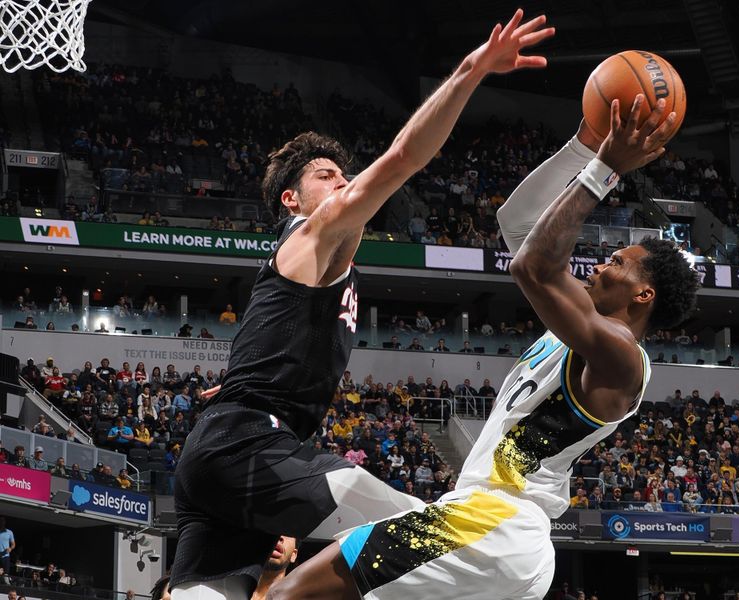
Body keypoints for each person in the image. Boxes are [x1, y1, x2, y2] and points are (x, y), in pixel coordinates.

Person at [170, 13, 555, 599]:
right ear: (292, 199)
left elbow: (267, 342)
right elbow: (404, 157)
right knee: (430, 537)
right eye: (327, 176)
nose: (343, 182)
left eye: (343, 173)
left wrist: (235, 386)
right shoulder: (311, 231)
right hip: (247, 446)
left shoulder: (313, 265)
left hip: (224, 456)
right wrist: (472, 70)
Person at [269, 97, 696, 598]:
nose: (601, 264)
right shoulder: (579, 323)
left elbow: (531, 265)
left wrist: (605, 169)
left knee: (289, 593)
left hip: (493, 524)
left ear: (644, 295)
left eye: (618, 263)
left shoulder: (621, 357)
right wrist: (583, 147)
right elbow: (516, 222)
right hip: (504, 536)